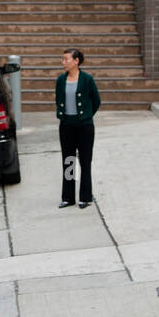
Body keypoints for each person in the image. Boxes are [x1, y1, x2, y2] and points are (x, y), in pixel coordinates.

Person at [55, 49, 100, 209]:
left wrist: (86, 116)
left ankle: (85, 197)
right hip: (66, 126)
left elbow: (96, 101)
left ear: (76, 61)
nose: (63, 62)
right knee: (68, 161)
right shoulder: (61, 80)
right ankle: (68, 197)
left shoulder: (87, 79)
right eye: (62, 59)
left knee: (85, 161)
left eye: (66, 59)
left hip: (84, 127)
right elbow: (58, 100)